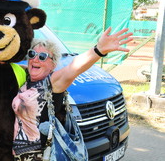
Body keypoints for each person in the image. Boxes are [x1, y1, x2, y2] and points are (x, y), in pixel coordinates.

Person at [12, 27, 133, 160]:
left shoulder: (52, 83)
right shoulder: (26, 77)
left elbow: (73, 68)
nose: (35, 59)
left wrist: (99, 50)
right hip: (17, 154)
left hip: (39, 156)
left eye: (42, 57)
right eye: (31, 54)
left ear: (53, 65)